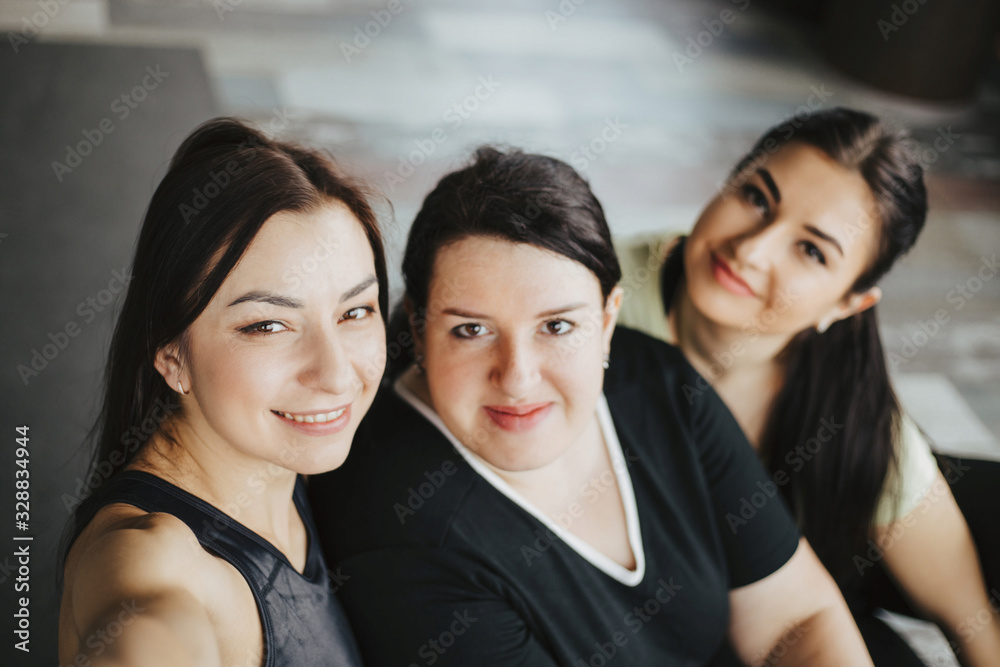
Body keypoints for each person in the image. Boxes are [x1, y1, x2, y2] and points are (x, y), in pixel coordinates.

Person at [309, 146, 874, 665]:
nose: (518, 377)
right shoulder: (400, 532)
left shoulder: (661, 385)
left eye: (557, 326)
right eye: (472, 329)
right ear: (419, 327)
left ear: (607, 321)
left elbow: (796, 621)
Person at [614, 107, 1000, 666]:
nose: (752, 249)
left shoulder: (847, 393)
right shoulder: (597, 299)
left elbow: (971, 624)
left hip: (828, 565)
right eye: (756, 197)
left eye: (811, 250)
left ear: (848, 304)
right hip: (705, 607)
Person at [59, 118, 389, 667]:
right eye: (267, 326)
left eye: (354, 311)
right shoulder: (152, 559)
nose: (336, 374)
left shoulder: (274, 452)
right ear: (172, 355)